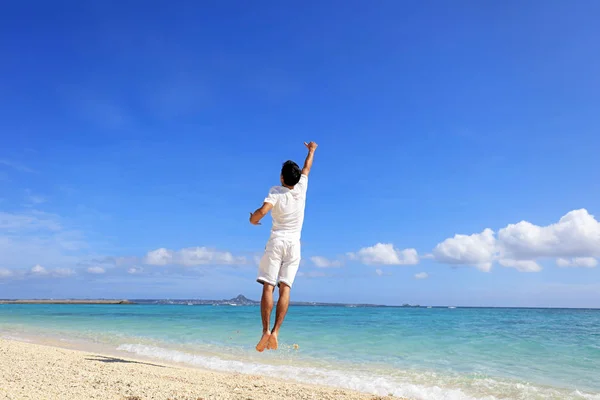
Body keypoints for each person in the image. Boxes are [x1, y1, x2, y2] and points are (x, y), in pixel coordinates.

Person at [249, 141, 318, 352]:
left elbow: (264, 210)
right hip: (295, 245)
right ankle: (277, 332)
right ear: (297, 179)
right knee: (285, 287)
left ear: (281, 177)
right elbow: (307, 167)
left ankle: (265, 331)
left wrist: (253, 219)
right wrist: (312, 151)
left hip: (277, 241)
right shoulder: (302, 187)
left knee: (268, 286)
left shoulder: (276, 192)